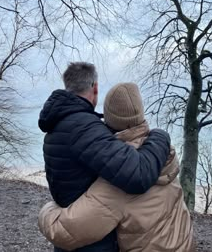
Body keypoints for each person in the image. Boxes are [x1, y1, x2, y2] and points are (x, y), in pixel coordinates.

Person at [39, 82, 194, 252]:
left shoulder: (118, 179)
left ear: (108, 120)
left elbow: (64, 231)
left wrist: (49, 210)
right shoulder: (166, 154)